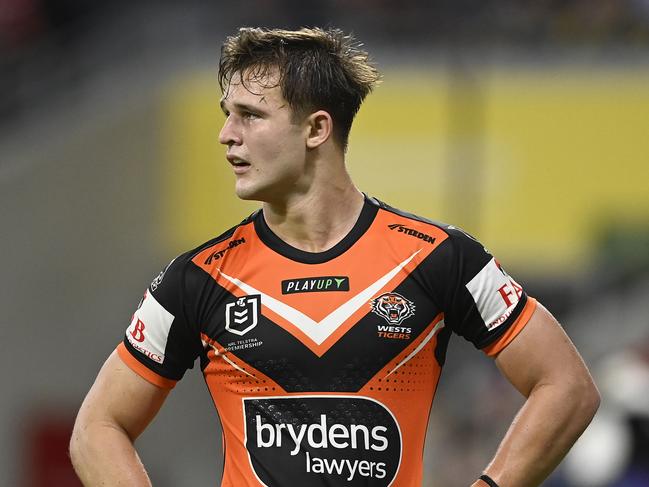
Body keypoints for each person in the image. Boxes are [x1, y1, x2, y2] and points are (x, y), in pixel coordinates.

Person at [69, 27, 600, 487]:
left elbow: (568, 388)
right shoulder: (196, 279)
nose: (226, 135)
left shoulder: (440, 258)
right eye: (227, 115)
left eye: (250, 116)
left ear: (317, 129)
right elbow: (97, 428)